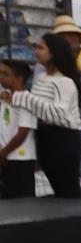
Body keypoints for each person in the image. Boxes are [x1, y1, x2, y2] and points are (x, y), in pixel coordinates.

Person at [0, 32, 81, 197]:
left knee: (68, 188)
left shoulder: (65, 82)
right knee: (57, 187)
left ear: (53, 53)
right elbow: (35, 106)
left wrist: (21, 97)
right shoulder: (40, 78)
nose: (36, 52)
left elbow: (59, 114)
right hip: (45, 137)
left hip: (64, 137)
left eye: (41, 48)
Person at [0, 58, 37, 196]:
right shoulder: (7, 96)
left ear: (18, 79)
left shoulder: (26, 99)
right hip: (7, 158)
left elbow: (23, 132)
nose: (1, 77)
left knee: (23, 200)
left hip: (20, 158)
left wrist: (4, 152)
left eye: (5, 74)